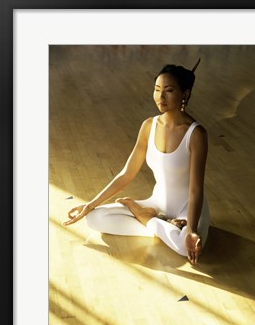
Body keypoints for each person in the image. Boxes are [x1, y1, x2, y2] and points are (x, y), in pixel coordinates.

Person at [63, 59, 210, 265]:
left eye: (168, 90)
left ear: (184, 94)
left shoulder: (196, 134)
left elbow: (196, 191)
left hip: (189, 208)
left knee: (183, 247)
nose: (160, 96)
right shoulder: (149, 125)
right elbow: (126, 173)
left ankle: (149, 220)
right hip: (157, 203)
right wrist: (90, 204)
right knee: (94, 219)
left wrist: (191, 230)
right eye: (157, 89)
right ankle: (160, 223)